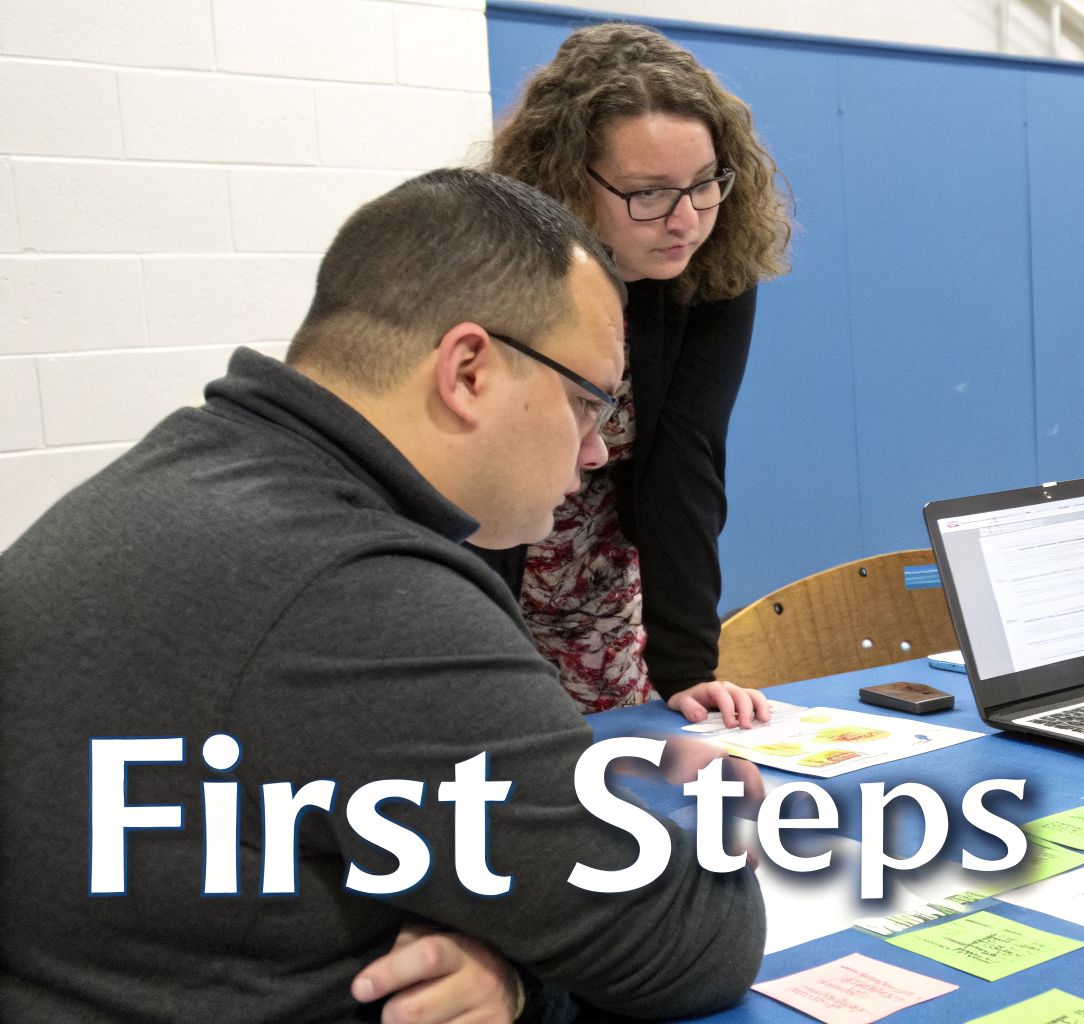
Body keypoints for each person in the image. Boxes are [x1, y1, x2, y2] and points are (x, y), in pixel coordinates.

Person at [0, 169, 764, 1021]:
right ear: (468, 369)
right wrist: (713, 816)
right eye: (588, 403)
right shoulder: (360, 592)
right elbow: (692, 937)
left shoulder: (175, 480)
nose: (594, 453)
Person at [486, 22, 792, 726]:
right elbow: (479, 487)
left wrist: (688, 669)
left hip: (599, 573)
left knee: (612, 771)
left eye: (704, 185)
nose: (685, 219)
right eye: (648, 193)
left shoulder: (709, 273)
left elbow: (683, 460)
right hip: (485, 560)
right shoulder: (500, 271)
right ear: (566, 179)